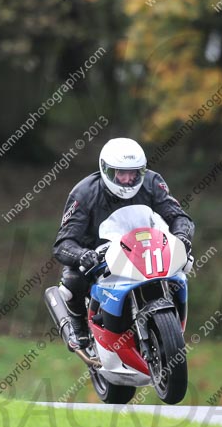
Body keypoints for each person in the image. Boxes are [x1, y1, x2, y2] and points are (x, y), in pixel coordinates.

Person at [52, 137, 195, 351]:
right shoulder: (83, 193)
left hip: (148, 249)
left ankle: (171, 323)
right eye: (121, 173)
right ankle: (78, 328)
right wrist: (82, 255)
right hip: (101, 256)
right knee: (73, 279)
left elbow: (179, 217)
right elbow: (63, 243)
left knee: (183, 267)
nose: (128, 179)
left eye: (134, 173)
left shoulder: (153, 183)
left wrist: (182, 237)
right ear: (107, 170)